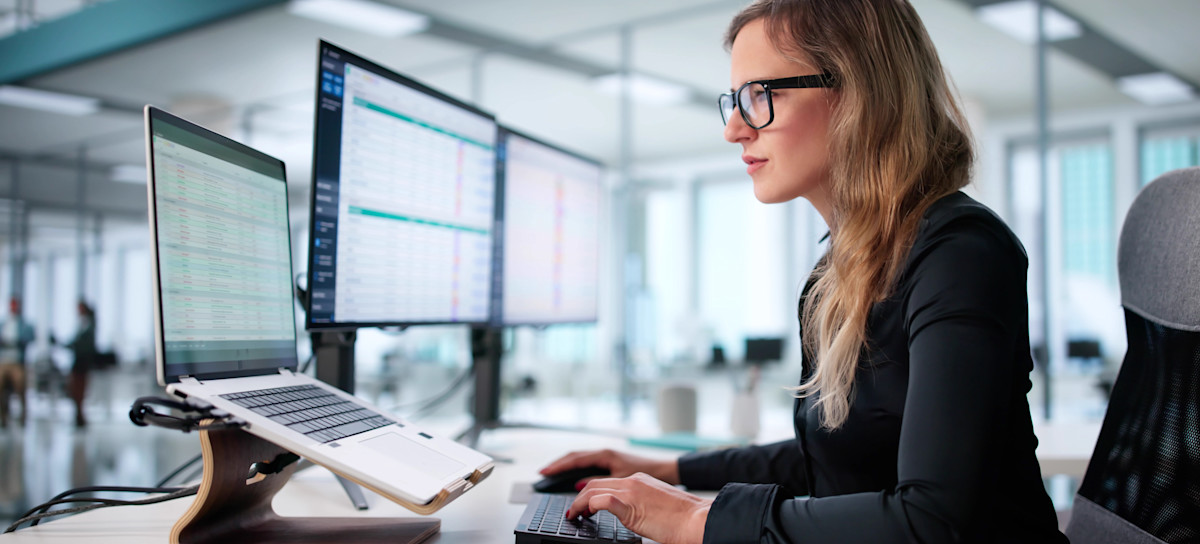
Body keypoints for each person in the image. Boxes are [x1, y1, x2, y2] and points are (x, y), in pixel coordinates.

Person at [542, 1, 1067, 542]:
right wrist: (668, 471)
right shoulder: (842, 268)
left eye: (761, 96)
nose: (734, 130)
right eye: (735, 100)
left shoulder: (960, 254)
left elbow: (932, 520)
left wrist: (695, 520)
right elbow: (833, 460)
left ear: (858, 94)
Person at [0, 297, 35, 428]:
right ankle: (3, 417)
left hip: (17, 362)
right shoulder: (3, 324)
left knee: (20, 387)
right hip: (3, 361)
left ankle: (23, 417)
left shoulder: (25, 325)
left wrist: (17, 342)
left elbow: (30, 338)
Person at [61, 301, 97, 428]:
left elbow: (82, 344)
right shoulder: (83, 323)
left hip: (83, 363)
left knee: (79, 392)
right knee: (75, 392)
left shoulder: (88, 324)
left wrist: (71, 345)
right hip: (78, 362)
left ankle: (80, 419)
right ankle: (78, 418)